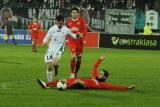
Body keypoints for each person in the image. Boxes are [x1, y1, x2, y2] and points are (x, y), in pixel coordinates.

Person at [37, 56, 135, 90]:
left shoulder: (103, 84)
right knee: (63, 80)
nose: (99, 74)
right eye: (100, 73)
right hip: (77, 81)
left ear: (104, 77)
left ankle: (67, 86)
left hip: (84, 85)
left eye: (101, 74)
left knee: (78, 81)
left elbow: (114, 87)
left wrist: (126, 88)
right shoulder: (95, 76)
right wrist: (100, 59)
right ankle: (46, 84)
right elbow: (95, 66)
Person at [42, 15, 82, 82]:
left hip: (59, 49)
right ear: (56, 22)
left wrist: (78, 35)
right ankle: (50, 82)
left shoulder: (66, 29)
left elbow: (74, 36)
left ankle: (55, 66)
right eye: (57, 23)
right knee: (49, 67)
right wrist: (44, 42)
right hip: (50, 49)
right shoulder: (52, 29)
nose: (59, 24)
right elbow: (46, 37)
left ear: (63, 22)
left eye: (60, 23)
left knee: (54, 63)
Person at [66, 7, 88, 78]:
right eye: (73, 12)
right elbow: (67, 31)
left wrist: (82, 34)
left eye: (75, 12)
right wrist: (67, 38)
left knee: (79, 58)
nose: (74, 14)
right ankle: (72, 73)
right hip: (72, 42)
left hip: (79, 43)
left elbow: (85, 30)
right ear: (71, 13)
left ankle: (75, 73)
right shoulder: (68, 21)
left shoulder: (81, 21)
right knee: (72, 57)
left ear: (78, 14)